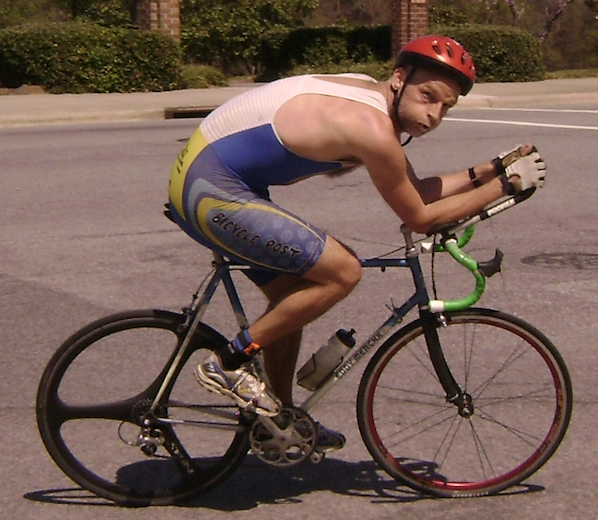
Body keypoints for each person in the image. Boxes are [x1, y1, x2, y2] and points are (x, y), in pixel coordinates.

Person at [167, 34, 546, 451]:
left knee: (293, 298)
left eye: (446, 107)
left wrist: (491, 169)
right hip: (210, 188)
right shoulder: (372, 129)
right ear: (400, 78)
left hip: (213, 178)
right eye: (428, 96)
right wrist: (506, 187)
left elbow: (415, 187)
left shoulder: (372, 98)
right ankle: (229, 362)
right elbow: (419, 216)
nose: (434, 114)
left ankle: (278, 420)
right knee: (342, 270)